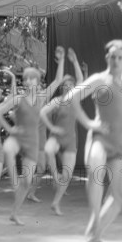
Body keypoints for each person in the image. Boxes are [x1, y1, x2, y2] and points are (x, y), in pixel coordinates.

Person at [60, 0, 122, 242]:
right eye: (113, 56)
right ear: (107, 58)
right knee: (96, 172)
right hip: (100, 140)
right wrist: (89, 124)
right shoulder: (98, 80)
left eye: (121, 56)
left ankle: (95, 235)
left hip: (121, 146)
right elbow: (70, 98)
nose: (117, 60)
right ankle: (93, 218)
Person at [0, 47, 65, 225]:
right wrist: (10, 129)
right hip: (18, 138)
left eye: (31, 78)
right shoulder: (18, 98)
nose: (27, 81)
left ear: (38, 82)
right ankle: (13, 180)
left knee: (27, 182)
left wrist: (62, 60)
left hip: (33, 143)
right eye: (25, 78)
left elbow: (58, 80)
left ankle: (14, 213)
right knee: (9, 149)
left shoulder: (42, 97)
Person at [39, 48, 85, 215]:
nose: (67, 87)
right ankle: (54, 175)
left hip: (70, 141)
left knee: (68, 174)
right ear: (62, 88)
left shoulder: (75, 98)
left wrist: (74, 61)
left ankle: (56, 203)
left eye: (70, 85)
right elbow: (42, 112)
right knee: (49, 150)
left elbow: (81, 79)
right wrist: (51, 127)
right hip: (56, 137)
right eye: (65, 85)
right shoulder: (57, 101)